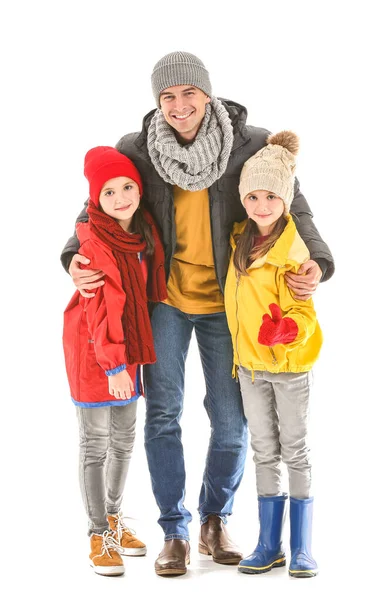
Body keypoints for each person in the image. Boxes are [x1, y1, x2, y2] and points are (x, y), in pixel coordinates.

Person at [61, 52, 335, 577]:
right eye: (167, 97)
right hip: (163, 301)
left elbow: (296, 205)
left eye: (189, 94)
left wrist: (319, 262)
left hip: (229, 305)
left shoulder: (250, 144)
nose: (179, 106)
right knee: (163, 416)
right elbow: (95, 207)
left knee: (231, 421)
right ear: (157, 103)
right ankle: (174, 531)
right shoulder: (137, 150)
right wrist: (73, 256)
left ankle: (214, 517)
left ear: (207, 95)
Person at [62, 146, 168, 576]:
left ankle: (113, 518)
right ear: (95, 199)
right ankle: (96, 534)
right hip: (96, 350)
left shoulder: (141, 234)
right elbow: (99, 309)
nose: (122, 197)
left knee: (124, 438)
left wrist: (126, 362)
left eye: (128, 187)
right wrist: (112, 367)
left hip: (128, 348)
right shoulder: (95, 241)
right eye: (109, 192)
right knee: (96, 442)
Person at [225, 131, 321, 578]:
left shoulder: (294, 250)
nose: (262, 205)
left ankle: (301, 547)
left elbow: (304, 309)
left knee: (294, 450)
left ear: (285, 199)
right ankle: (269, 544)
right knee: (264, 450)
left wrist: (288, 330)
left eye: (271, 197)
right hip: (249, 367)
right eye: (253, 196)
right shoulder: (239, 241)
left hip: (288, 367)